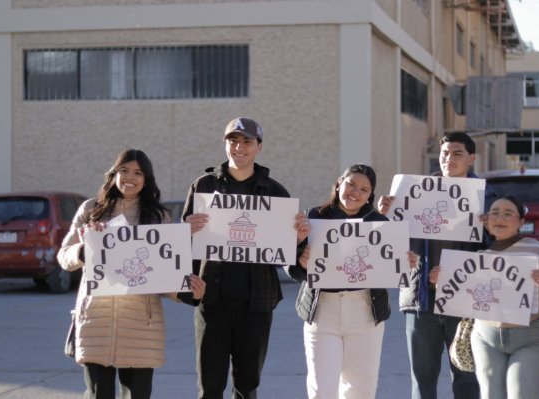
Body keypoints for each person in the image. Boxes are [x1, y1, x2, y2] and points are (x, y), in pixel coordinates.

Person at [57, 148, 206, 399]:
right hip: (96, 320)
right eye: (124, 170)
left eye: (138, 172)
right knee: (97, 395)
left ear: (146, 179)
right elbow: (64, 257)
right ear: (114, 174)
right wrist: (86, 248)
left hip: (141, 325)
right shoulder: (90, 210)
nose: (130, 177)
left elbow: (164, 273)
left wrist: (189, 293)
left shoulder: (158, 216)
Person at [182, 117, 309, 399]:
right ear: (225, 144)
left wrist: (298, 240)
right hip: (211, 300)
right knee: (210, 386)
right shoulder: (203, 186)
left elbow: (290, 258)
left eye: (247, 142)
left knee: (247, 386)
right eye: (233, 141)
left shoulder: (275, 193)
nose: (239, 148)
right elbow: (182, 247)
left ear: (259, 148)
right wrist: (184, 231)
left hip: (257, 304)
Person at [378, 132, 493, 399]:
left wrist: (490, 228)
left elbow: (496, 249)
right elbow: (390, 244)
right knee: (422, 381)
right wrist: (383, 216)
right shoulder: (413, 193)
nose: (449, 159)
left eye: (457, 153)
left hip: (465, 303)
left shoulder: (488, 198)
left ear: (471, 158)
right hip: (421, 299)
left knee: (467, 379)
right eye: (445, 153)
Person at [287, 164, 395, 399]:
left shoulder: (379, 222)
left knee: (361, 390)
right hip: (323, 310)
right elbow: (293, 270)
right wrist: (301, 259)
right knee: (322, 391)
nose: (355, 192)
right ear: (339, 183)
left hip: (365, 311)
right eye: (351, 184)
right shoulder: (314, 216)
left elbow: (389, 268)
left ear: (370, 196)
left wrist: (403, 260)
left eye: (364, 190)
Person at [430, 195, 539, 399]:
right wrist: (440, 282)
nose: (500, 218)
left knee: (522, 395)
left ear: (521, 222)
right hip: (486, 337)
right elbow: (461, 297)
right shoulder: (477, 255)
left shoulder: (535, 248)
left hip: (531, 338)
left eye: (508, 214)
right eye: (494, 213)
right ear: (486, 221)